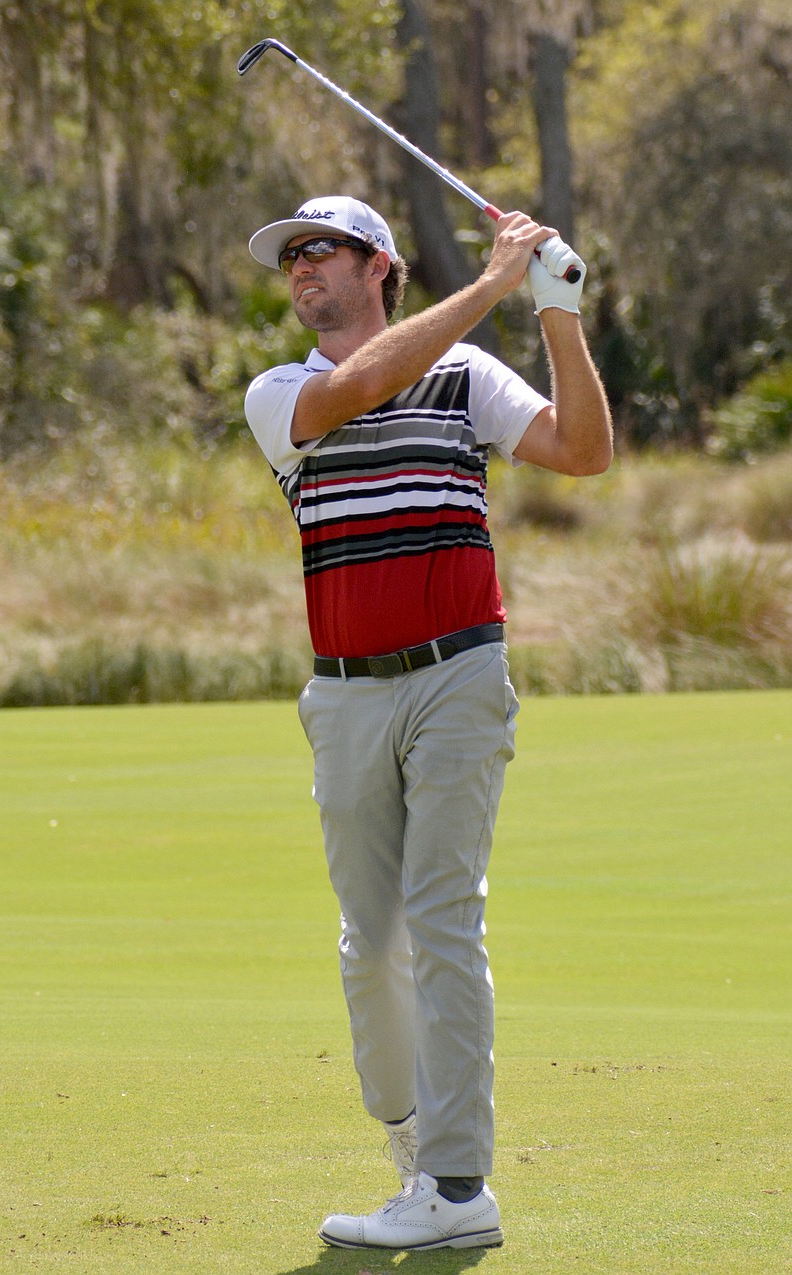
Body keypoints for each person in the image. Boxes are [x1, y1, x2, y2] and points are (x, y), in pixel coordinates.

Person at [243, 195, 612, 1252]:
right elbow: (359, 387)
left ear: (381, 265)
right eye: (293, 259)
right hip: (346, 691)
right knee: (373, 944)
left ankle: (456, 1188)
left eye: (324, 251)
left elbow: (583, 452)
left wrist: (556, 311)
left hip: (460, 672)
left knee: (443, 917)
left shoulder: (468, 377)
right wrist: (496, 282)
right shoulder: (281, 392)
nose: (303, 269)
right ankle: (411, 1150)